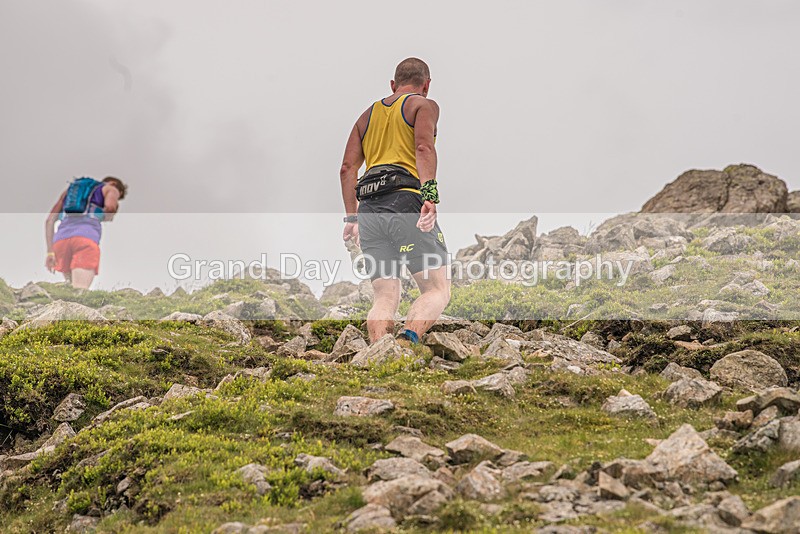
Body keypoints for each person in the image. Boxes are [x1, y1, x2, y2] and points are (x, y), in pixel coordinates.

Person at [339, 57, 451, 344]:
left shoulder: (366, 116)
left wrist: (352, 218)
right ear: (426, 85)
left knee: (385, 295)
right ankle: (406, 341)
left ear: (393, 84)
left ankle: (380, 353)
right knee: (436, 289)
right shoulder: (423, 105)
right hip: (405, 201)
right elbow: (423, 147)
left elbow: (347, 169)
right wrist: (429, 196)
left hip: (369, 210)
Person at [45, 176, 128, 289]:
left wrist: (50, 252)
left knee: (70, 290)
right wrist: (108, 216)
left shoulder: (70, 191)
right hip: (85, 240)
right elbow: (110, 207)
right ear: (115, 185)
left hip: (61, 241)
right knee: (80, 289)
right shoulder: (111, 189)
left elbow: (49, 221)